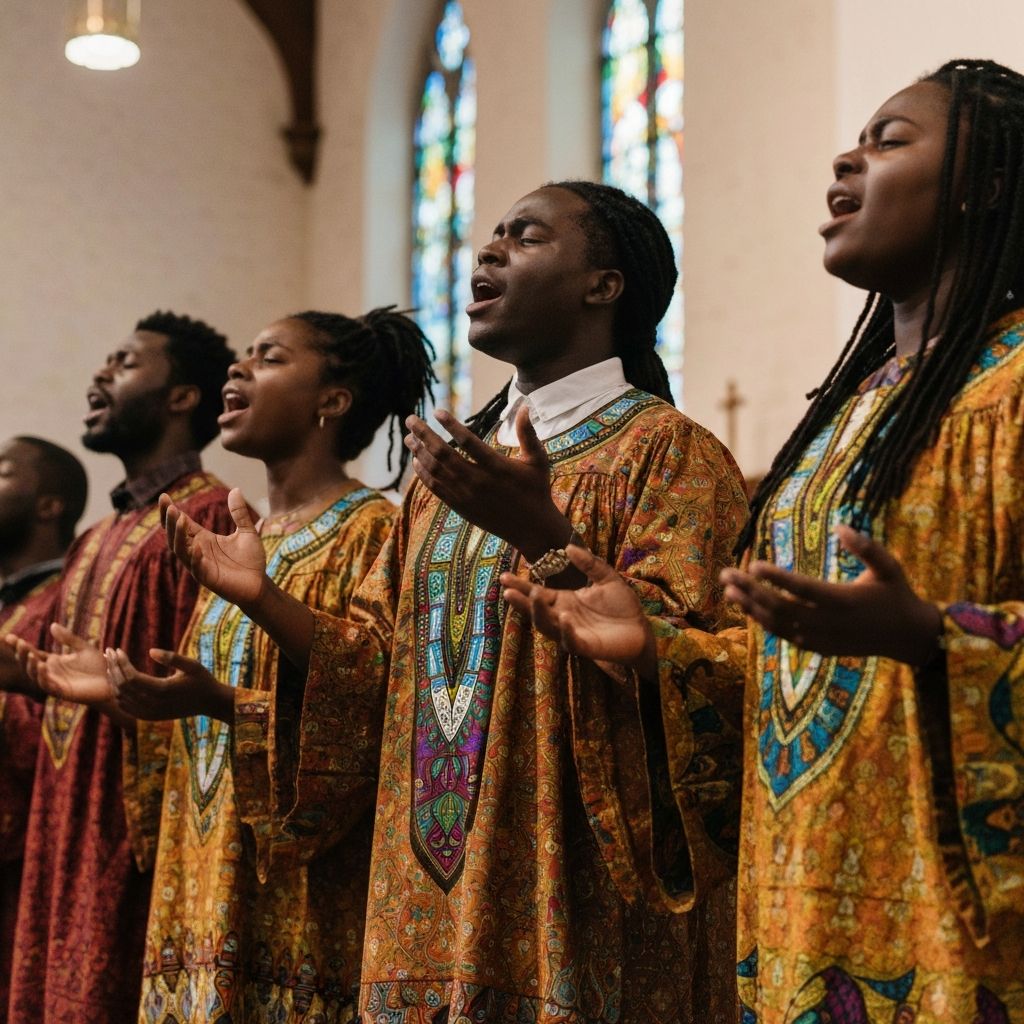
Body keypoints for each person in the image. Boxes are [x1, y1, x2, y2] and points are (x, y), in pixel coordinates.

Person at [507, 62, 1024, 1023]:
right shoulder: (839, 422)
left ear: (987, 183)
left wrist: (932, 638)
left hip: (960, 932)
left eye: (890, 140)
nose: (846, 157)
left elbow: (901, 643)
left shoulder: (1013, 387)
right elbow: (790, 686)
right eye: (856, 138)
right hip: (796, 914)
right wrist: (662, 649)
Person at [162, 181, 749, 1022]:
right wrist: (260, 597)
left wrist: (546, 536)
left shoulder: (668, 453)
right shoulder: (441, 482)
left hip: (575, 893)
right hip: (420, 904)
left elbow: (700, 683)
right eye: (492, 235)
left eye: (528, 236)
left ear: (604, 285)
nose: (491, 250)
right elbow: (370, 673)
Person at [92, 308, 433, 1024]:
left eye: (269, 357)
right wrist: (137, 697)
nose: (237, 370)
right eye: (241, 354)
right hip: (200, 880)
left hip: (301, 902)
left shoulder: (374, 529)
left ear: (331, 401)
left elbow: (379, 709)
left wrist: (225, 702)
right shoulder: (233, 538)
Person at [4, 313, 236, 1024]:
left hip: (139, 853)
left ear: (181, 397)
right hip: (60, 835)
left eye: (125, 362)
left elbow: (207, 713)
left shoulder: (212, 519)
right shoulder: (91, 541)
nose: (102, 373)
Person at [0, 436, 87, 1024]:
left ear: (48, 505)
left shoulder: (67, 599)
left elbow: (74, 732)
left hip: (29, 874)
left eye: (1, 473)